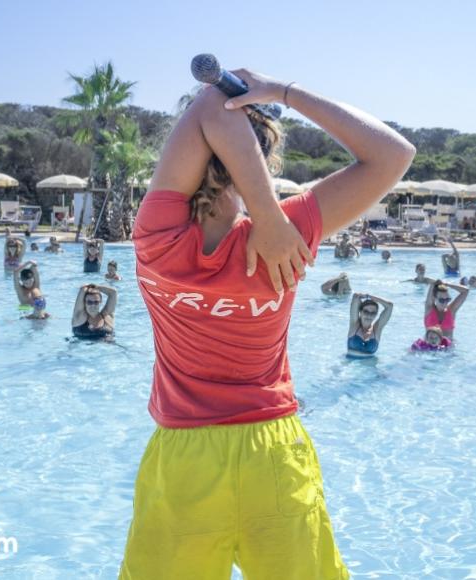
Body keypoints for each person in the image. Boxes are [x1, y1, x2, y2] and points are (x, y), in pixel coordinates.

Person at [122, 68, 414, 578]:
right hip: (272, 451)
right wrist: (286, 92)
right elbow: (394, 154)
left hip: (184, 456)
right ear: (265, 158)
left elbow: (212, 105)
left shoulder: (156, 231)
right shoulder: (290, 232)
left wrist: (265, 212)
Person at [347, 293, 392, 357]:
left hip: (370, 366)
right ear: (360, 311)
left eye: (373, 313)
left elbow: (390, 306)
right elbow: (356, 297)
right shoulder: (354, 325)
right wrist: (367, 296)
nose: (369, 315)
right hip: (349, 366)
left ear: (376, 314)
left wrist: (372, 297)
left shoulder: (377, 330)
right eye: (366, 311)